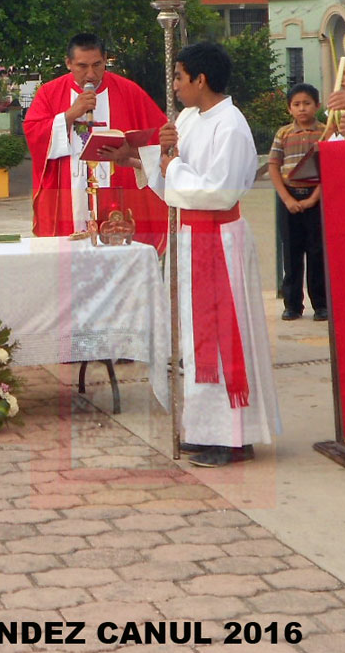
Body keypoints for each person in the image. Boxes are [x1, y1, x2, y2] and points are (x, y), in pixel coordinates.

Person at [133, 41, 280, 468]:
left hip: (218, 238)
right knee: (195, 342)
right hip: (189, 237)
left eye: (179, 77)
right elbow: (171, 177)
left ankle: (232, 436)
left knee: (221, 339)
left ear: (201, 79)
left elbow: (219, 191)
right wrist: (156, 156)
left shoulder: (230, 125)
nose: (175, 86)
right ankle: (203, 429)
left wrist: (172, 166)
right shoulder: (188, 118)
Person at [22, 33, 168, 251]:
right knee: (70, 257)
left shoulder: (129, 91)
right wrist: (70, 115)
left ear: (105, 59)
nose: (91, 74)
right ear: (68, 63)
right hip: (71, 192)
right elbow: (34, 133)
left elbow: (161, 138)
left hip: (119, 192)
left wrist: (131, 151)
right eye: (82, 66)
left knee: (118, 252)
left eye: (97, 65)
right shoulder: (50, 93)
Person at [268, 83, 326, 321]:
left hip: (316, 198)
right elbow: (273, 166)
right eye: (297, 104)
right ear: (289, 108)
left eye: (307, 103)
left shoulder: (324, 132)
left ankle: (321, 304)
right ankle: (292, 304)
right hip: (289, 198)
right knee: (291, 253)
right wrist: (287, 198)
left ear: (317, 105)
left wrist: (313, 198)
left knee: (317, 252)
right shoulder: (283, 134)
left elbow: (329, 168)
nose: (302, 109)